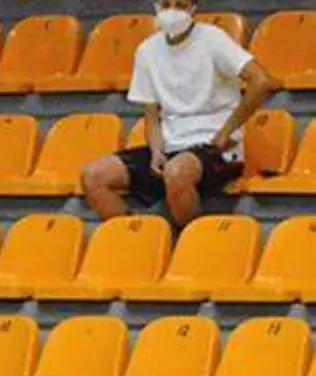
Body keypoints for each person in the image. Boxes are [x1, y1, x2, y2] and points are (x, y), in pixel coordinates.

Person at [80, 0, 280, 226]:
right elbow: (152, 117)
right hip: (171, 147)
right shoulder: (147, 51)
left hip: (217, 148)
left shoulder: (213, 39)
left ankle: (190, 246)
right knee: (93, 176)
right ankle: (140, 240)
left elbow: (261, 81)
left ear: (193, 7)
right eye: (166, 4)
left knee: (176, 173)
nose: (172, 10)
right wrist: (156, 151)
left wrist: (227, 132)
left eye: (180, 4)